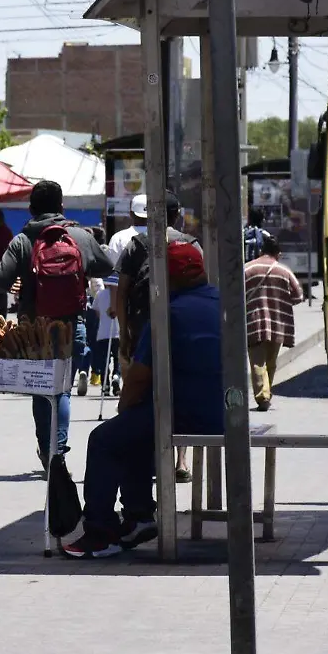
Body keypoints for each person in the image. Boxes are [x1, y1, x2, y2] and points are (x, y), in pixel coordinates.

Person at [63, 240, 222, 558]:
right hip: (221, 409)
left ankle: (100, 531)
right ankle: (138, 516)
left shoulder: (169, 313)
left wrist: (124, 406)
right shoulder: (222, 302)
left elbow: (138, 376)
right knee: (135, 432)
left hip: (183, 413)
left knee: (104, 439)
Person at [0, 181, 114, 472]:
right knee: (62, 390)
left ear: (31, 208)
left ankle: (47, 450)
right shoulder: (79, 236)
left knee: (41, 389)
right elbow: (107, 267)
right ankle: (58, 451)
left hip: (35, 329)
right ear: (61, 206)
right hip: (73, 325)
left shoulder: (22, 240)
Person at [113, 191, 201, 483]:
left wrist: (125, 336)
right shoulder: (190, 244)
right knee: (182, 393)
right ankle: (181, 461)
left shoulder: (138, 244)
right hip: (182, 334)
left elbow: (122, 292)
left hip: (143, 334)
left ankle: (146, 455)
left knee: (144, 394)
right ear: (177, 215)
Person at [245, 235, 304, 411]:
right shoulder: (284, 271)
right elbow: (299, 295)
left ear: (262, 251)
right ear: (278, 254)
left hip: (254, 322)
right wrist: (281, 301)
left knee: (257, 362)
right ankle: (265, 395)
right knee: (271, 362)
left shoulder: (248, 268)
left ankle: (263, 396)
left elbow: (237, 293)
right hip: (278, 323)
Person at [91, 275, 121, 395]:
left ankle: (105, 385)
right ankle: (116, 376)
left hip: (103, 333)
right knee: (118, 358)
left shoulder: (100, 295)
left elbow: (97, 313)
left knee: (104, 360)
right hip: (117, 332)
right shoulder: (119, 296)